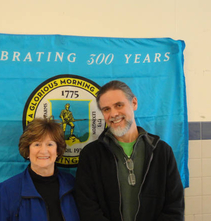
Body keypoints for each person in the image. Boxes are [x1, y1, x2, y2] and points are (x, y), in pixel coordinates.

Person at [74, 80, 184, 221]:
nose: (113, 114)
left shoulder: (161, 151)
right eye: (106, 109)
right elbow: (87, 207)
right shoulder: (91, 155)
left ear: (134, 103)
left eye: (119, 105)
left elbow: (174, 206)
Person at [0, 117, 80, 221]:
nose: (43, 151)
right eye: (37, 144)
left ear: (58, 150)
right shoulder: (6, 190)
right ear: (27, 150)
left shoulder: (71, 184)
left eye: (50, 144)